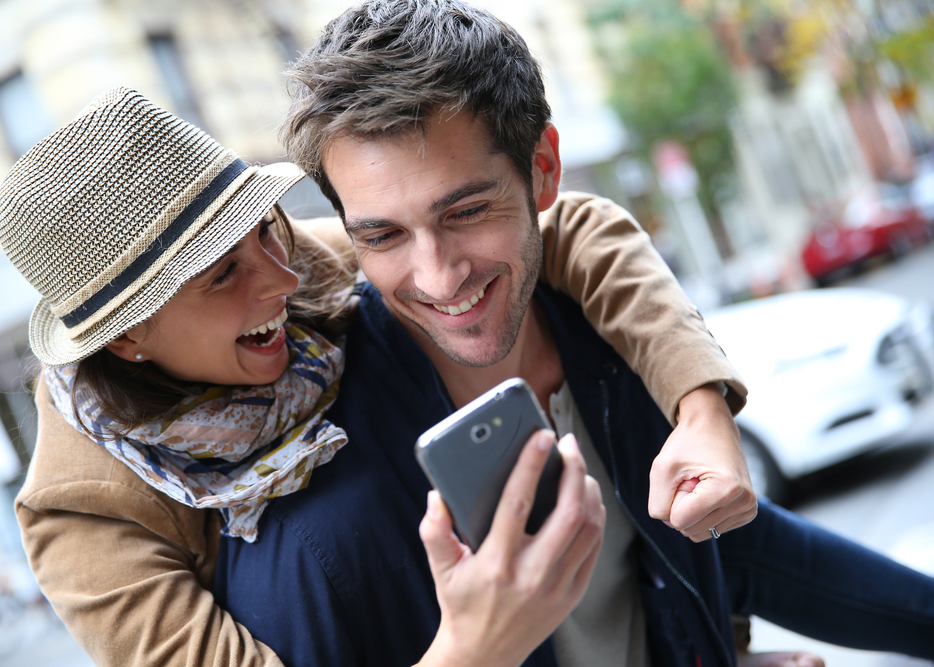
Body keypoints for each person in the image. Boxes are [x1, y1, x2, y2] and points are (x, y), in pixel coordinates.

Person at [213, 1, 934, 666]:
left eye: (465, 211)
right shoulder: (309, 509)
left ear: (544, 169)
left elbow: (738, 556)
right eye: (383, 235)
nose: (438, 276)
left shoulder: (612, 341)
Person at [7, 87, 752, 666]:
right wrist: (476, 648)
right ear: (130, 336)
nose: (279, 276)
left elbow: (570, 230)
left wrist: (701, 410)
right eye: (223, 274)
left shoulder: (295, 265)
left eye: (264, 225)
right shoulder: (84, 513)